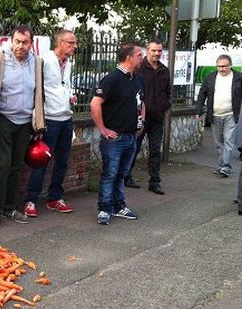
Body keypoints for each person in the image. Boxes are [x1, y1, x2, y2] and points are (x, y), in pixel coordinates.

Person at [0, 26, 45, 228]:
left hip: (25, 123)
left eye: (25, 42)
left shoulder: (37, 63)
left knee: (16, 167)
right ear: (11, 41)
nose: (20, 46)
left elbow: (40, 94)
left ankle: (9, 207)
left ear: (31, 43)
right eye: (17, 41)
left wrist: (39, 125)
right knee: (2, 165)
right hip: (4, 120)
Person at [23, 29, 78, 217]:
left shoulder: (69, 63)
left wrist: (71, 96)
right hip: (50, 119)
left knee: (62, 161)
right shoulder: (45, 60)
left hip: (66, 117)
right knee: (41, 160)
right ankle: (30, 200)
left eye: (74, 43)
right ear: (60, 43)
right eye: (71, 43)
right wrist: (37, 119)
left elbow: (65, 84)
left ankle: (55, 198)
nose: (74, 46)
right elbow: (36, 88)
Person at [90, 42, 145, 225]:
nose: (142, 58)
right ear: (129, 57)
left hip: (131, 136)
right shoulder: (112, 79)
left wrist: (141, 123)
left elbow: (141, 102)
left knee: (122, 173)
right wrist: (103, 129)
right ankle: (105, 208)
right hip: (115, 138)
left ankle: (119, 205)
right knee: (110, 173)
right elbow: (95, 103)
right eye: (139, 55)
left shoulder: (137, 79)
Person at [125, 39, 171, 195]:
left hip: (157, 117)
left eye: (159, 51)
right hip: (141, 117)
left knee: (155, 151)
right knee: (134, 148)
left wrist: (166, 106)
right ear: (147, 51)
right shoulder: (139, 69)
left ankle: (155, 182)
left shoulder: (164, 70)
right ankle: (126, 176)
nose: (157, 53)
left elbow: (168, 92)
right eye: (154, 50)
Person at [195, 54, 242, 177]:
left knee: (229, 140)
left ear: (230, 65)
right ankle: (222, 165)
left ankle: (226, 166)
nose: (222, 69)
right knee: (218, 142)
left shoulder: (238, 77)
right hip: (215, 114)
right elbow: (202, 94)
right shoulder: (211, 77)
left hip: (231, 114)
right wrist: (198, 111)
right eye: (219, 66)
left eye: (224, 66)